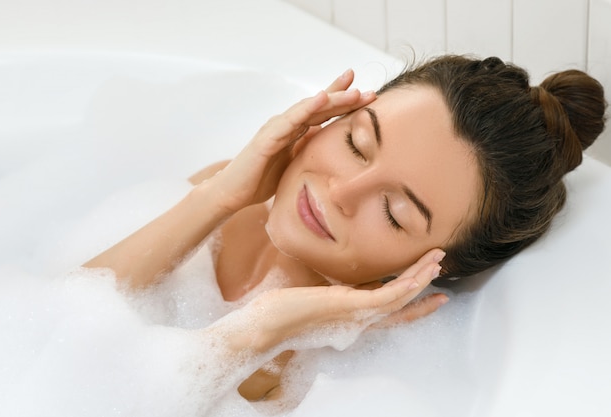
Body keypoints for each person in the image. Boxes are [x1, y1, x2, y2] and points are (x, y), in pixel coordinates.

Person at [83, 55, 606, 402]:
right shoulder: (232, 189)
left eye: (394, 213)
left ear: (429, 267)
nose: (339, 192)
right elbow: (59, 317)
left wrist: (260, 331)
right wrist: (219, 196)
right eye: (357, 143)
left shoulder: (335, 356)